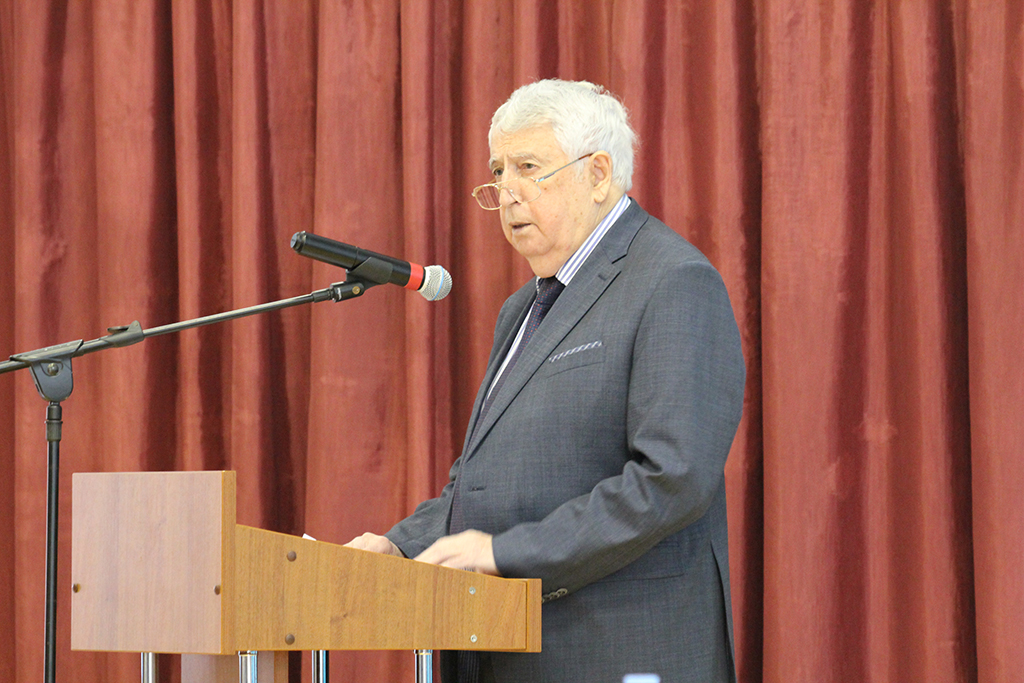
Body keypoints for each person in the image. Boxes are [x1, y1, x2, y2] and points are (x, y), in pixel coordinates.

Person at [346, 79, 746, 683]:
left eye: (528, 168)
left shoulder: (673, 281)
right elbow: (484, 482)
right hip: (503, 647)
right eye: (498, 171)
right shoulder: (522, 308)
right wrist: (401, 546)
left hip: (616, 651)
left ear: (598, 174)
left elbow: (672, 479)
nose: (505, 192)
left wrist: (503, 554)